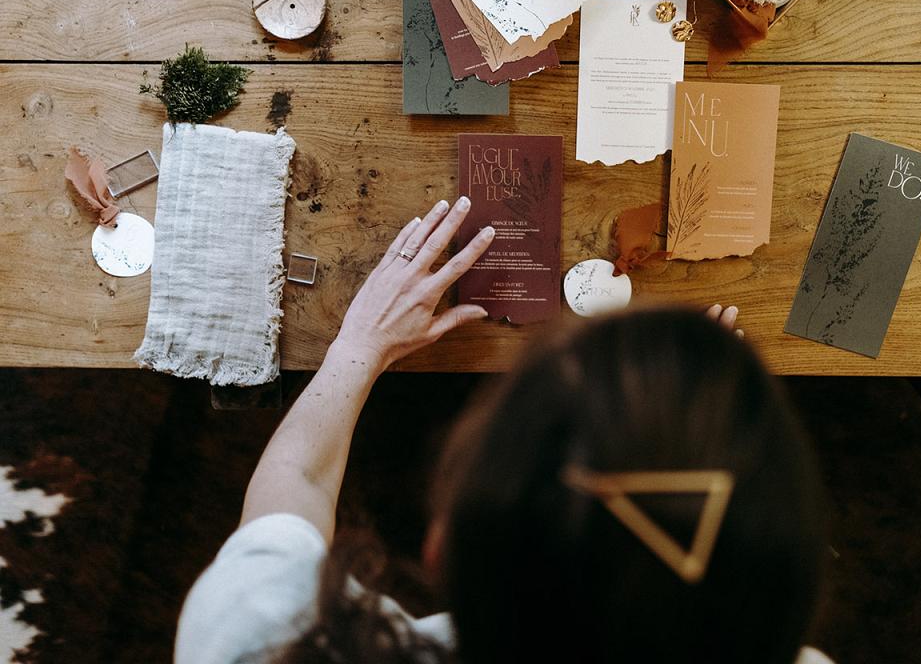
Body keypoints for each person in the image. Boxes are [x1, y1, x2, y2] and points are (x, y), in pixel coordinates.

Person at [175, 196, 827, 664]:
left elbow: (292, 493)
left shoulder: (260, 640)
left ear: (439, 550)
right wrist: (686, 420)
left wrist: (357, 348)